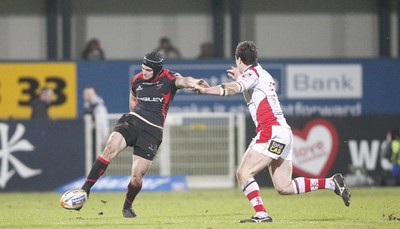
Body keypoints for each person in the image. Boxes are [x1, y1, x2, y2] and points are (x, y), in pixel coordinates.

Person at [188, 41, 351, 223]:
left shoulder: (252, 74)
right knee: (284, 187)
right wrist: (240, 77)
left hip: (271, 131)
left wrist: (206, 90)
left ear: (238, 59)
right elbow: (249, 86)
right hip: (284, 133)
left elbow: (234, 89)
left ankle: (262, 214)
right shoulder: (263, 73)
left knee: (243, 173)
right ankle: (331, 182)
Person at [78, 51, 209, 217]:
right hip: (132, 121)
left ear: (157, 70)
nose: (144, 72)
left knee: (137, 177)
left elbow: (184, 81)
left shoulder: (169, 78)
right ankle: (85, 190)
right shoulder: (137, 79)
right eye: (143, 68)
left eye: (148, 70)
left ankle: (127, 207)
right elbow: (133, 97)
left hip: (152, 131)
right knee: (109, 149)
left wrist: (195, 82)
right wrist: (133, 112)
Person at [83, 86, 110, 160]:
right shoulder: (87, 106)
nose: (86, 96)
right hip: (89, 139)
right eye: (85, 94)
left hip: (96, 138)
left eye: (89, 94)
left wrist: (104, 137)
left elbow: (103, 123)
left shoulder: (99, 107)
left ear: (94, 94)